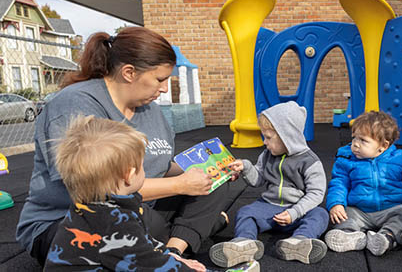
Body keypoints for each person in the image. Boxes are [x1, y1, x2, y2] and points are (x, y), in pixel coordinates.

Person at [17, 27, 244, 265]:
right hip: (74, 220)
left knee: (212, 186)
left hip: (135, 209)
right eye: (160, 79)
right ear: (129, 72)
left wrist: (210, 169)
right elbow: (95, 191)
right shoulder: (74, 105)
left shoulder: (151, 109)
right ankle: (182, 236)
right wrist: (181, 184)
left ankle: (173, 251)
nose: (165, 88)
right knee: (144, 226)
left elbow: (162, 167)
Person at [44, 115, 207, 271]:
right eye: (142, 165)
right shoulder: (112, 223)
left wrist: (173, 257)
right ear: (129, 175)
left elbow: (145, 244)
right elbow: (152, 266)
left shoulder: (90, 208)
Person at [210, 101, 329, 267]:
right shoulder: (267, 155)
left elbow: (316, 193)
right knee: (245, 212)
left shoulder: (309, 161)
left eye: (268, 137)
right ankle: (244, 243)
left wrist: (294, 213)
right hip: (269, 207)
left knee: (320, 214)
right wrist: (245, 167)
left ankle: (300, 241)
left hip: (297, 210)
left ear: (287, 136)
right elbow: (257, 179)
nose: (264, 142)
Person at [324, 111, 402, 256]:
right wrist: (336, 204)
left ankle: (386, 237)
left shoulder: (401, 158)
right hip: (359, 210)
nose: (355, 145)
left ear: (383, 146)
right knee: (343, 216)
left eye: (363, 141)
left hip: (391, 208)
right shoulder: (346, 158)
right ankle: (349, 236)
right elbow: (339, 183)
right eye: (354, 138)